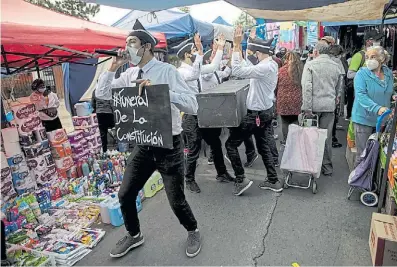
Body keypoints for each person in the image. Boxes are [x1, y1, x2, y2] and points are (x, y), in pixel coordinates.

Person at [95, 25, 201, 258]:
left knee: (176, 200)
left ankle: (193, 230)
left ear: (147, 47)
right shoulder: (129, 75)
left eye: (132, 42)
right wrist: (111, 69)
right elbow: (103, 94)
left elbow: (192, 105)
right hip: (143, 144)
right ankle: (134, 235)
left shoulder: (167, 72)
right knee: (125, 193)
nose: (127, 47)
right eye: (126, 43)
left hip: (168, 144)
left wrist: (161, 93)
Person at [226, 25, 281, 196]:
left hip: (256, 114)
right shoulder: (269, 65)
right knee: (263, 146)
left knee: (230, 145)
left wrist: (236, 47)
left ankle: (240, 179)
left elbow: (238, 70)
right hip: (264, 112)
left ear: (258, 52)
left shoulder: (265, 67)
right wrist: (241, 49)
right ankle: (273, 180)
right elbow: (246, 65)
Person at [177, 34, 234, 193]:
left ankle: (221, 173)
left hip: (205, 113)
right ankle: (189, 180)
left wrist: (221, 48)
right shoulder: (181, 72)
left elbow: (213, 67)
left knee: (215, 143)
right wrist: (201, 54)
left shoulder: (196, 68)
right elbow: (194, 74)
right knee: (194, 149)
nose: (196, 53)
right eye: (194, 51)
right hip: (191, 116)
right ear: (188, 55)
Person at [301, 41, 342, 176]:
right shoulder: (336, 66)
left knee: (310, 135)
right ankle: (327, 167)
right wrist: (335, 100)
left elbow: (306, 87)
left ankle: (309, 165)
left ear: (317, 52)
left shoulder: (311, 65)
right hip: (329, 106)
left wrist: (307, 107)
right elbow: (338, 88)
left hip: (313, 107)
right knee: (326, 137)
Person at [352, 46, 392, 166]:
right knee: (363, 154)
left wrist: (394, 96)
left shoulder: (388, 74)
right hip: (363, 119)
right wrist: (377, 108)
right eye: (367, 57)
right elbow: (361, 96)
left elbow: (388, 91)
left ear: (382, 58)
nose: (369, 60)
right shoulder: (361, 74)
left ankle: (370, 181)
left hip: (381, 120)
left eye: (373, 57)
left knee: (377, 154)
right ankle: (357, 183)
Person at [346, 30, 382, 120]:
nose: (379, 42)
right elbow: (350, 74)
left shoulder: (379, 57)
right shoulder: (359, 56)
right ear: (368, 41)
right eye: (376, 40)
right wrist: (368, 74)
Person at [276, 51, 303, 145]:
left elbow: (276, 85)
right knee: (295, 119)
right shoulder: (301, 70)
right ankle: (295, 141)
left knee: (284, 121)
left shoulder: (281, 71)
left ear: (286, 59)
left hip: (283, 100)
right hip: (297, 100)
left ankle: (286, 141)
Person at [327, 44, 347, 148]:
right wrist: (338, 96)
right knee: (332, 118)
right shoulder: (337, 62)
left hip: (320, 94)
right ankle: (332, 139)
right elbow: (340, 79)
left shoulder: (322, 60)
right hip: (333, 94)